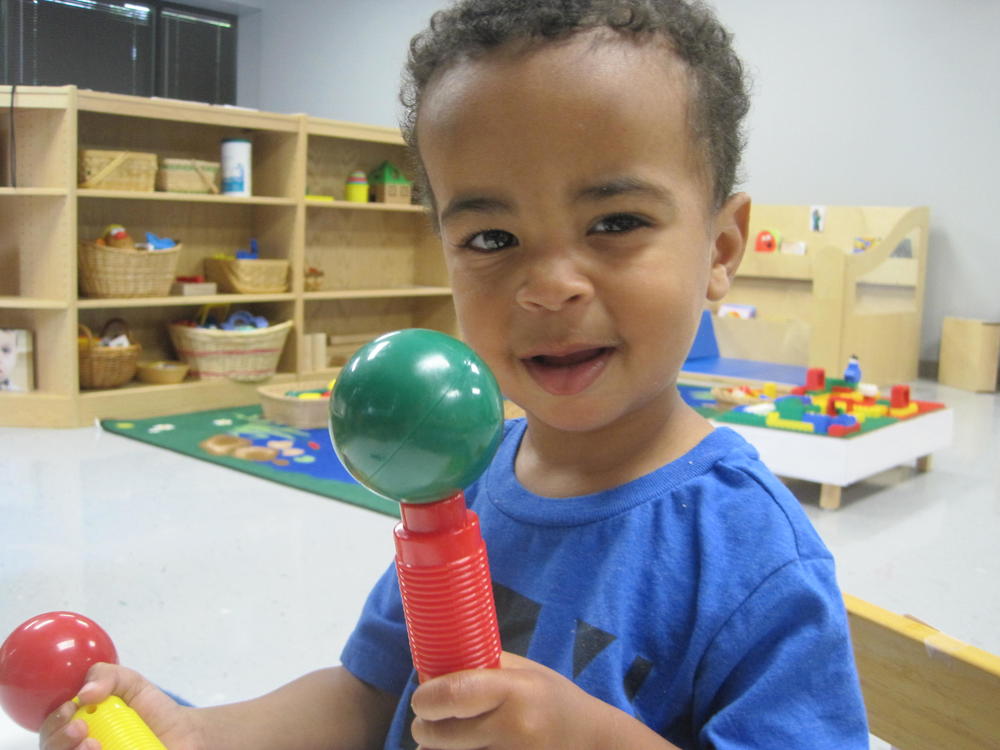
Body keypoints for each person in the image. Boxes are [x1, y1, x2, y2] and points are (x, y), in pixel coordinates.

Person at [40, 1, 869, 748]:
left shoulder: (752, 557)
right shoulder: (461, 478)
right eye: (491, 239)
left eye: (615, 222)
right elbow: (370, 695)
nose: (549, 286)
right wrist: (198, 732)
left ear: (721, 250)